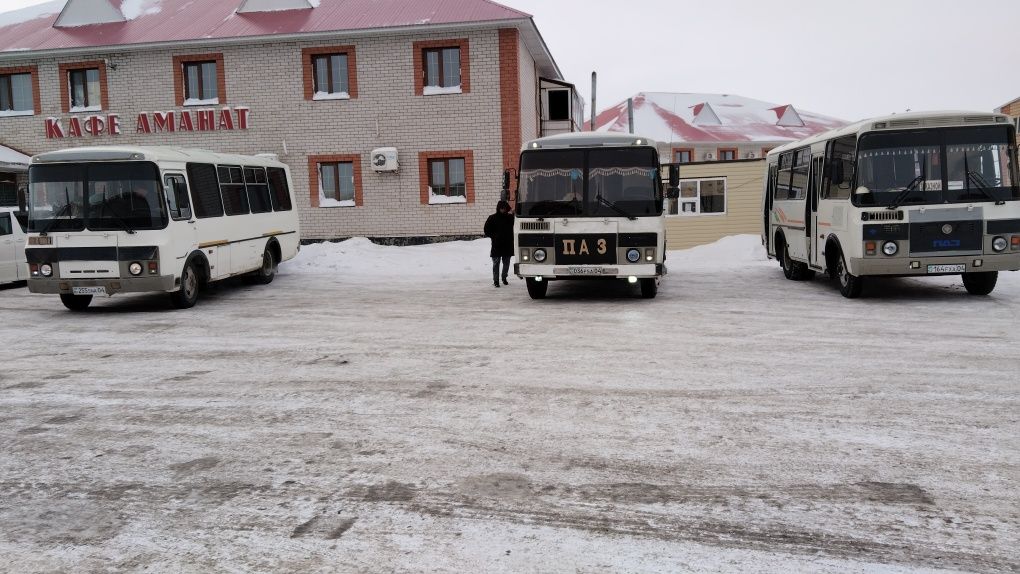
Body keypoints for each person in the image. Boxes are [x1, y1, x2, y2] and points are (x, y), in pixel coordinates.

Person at [483, 200, 514, 287]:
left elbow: (517, 227)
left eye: (504, 208)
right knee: (496, 263)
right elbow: (486, 230)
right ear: (498, 208)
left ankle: (504, 277)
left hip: (507, 244)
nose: (503, 210)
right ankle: (496, 281)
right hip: (497, 244)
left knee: (506, 263)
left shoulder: (510, 218)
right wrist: (494, 236)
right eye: (501, 208)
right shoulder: (492, 218)